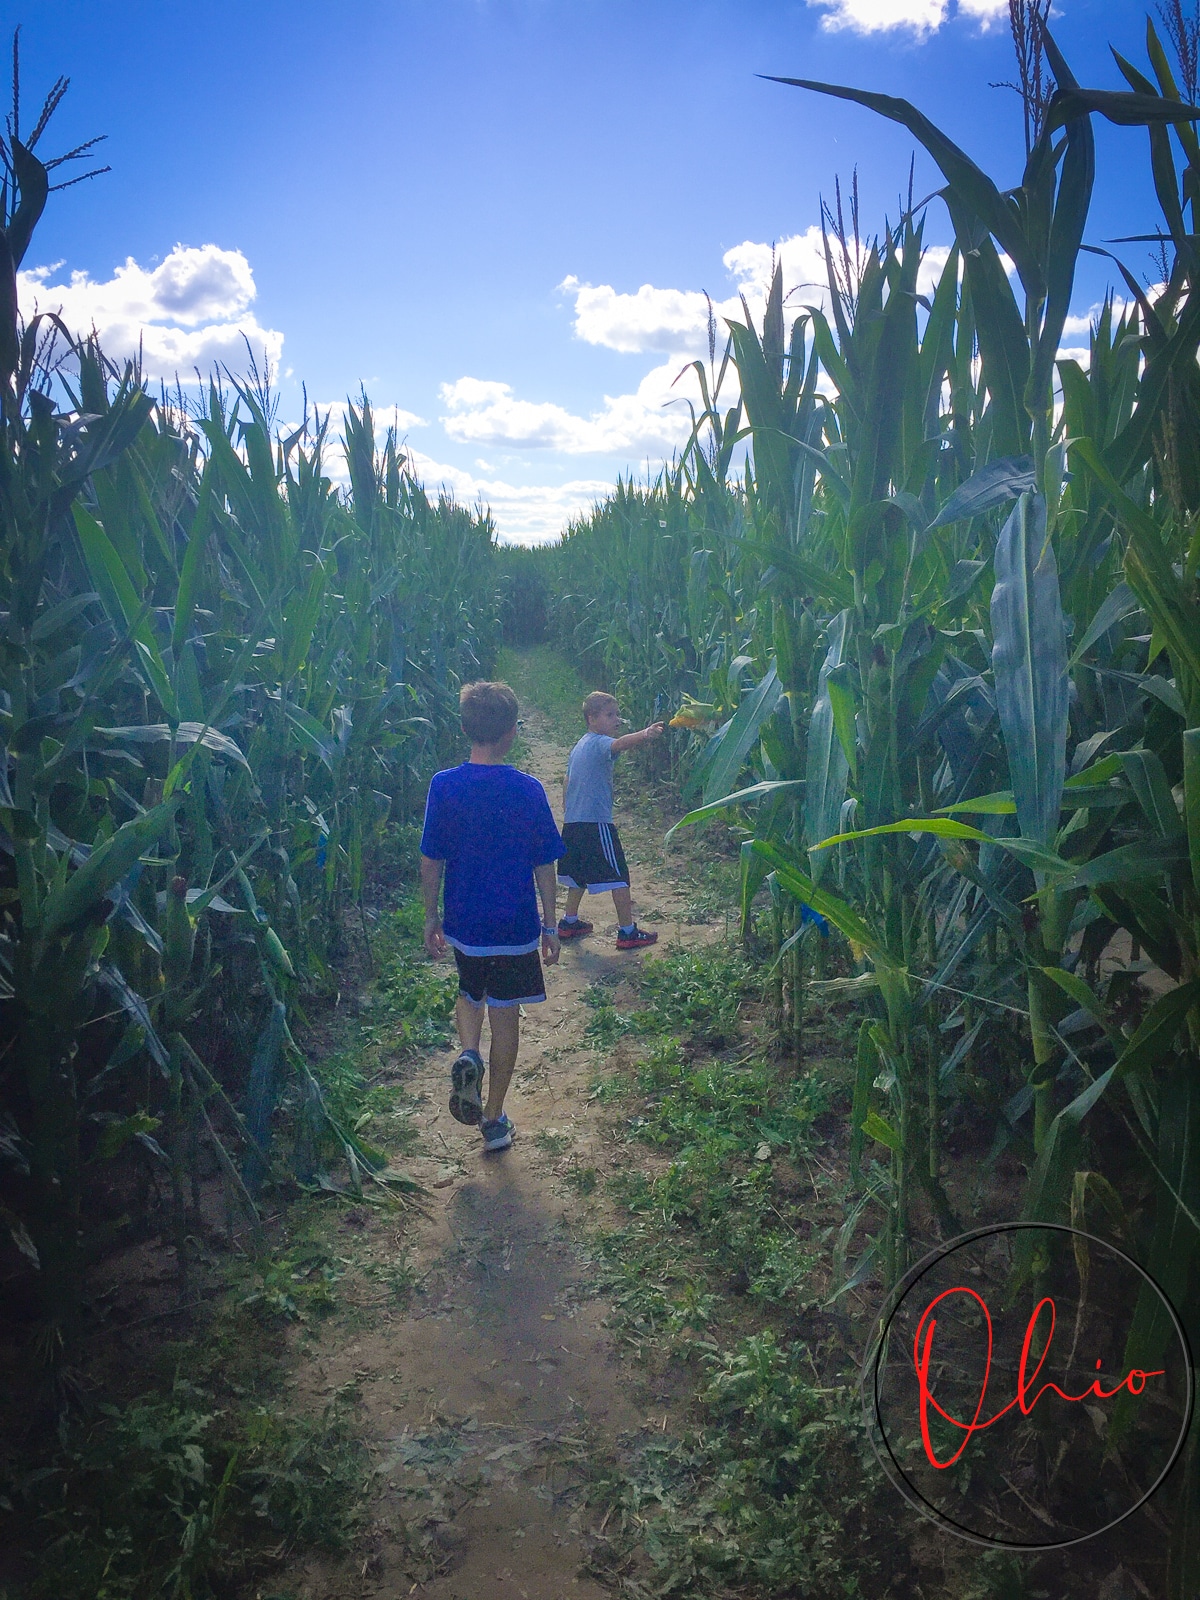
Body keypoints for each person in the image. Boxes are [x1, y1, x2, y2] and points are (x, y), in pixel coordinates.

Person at [420, 681, 563, 1153]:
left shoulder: (445, 786)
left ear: (465, 728)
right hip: (515, 928)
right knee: (506, 1018)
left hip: (466, 924)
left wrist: (431, 918)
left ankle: (466, 1054)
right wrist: (550, 924)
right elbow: (545, 863)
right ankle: (495, 1118)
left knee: (468, 992)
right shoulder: (527, 790)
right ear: (510, 734)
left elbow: (431, 859)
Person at [557, 690, 663, 951]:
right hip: (596, 822)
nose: (616, 720)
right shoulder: (598, 742)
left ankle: (569, 922)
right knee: (619, 876)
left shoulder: (579, 746)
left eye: (617, 714)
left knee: (578, 875)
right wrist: (645, 734)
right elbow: (619, 744)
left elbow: (566, 781)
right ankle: (627, 932)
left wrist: (568, 810)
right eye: (610, 715)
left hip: (574, 822)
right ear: (592, 718)